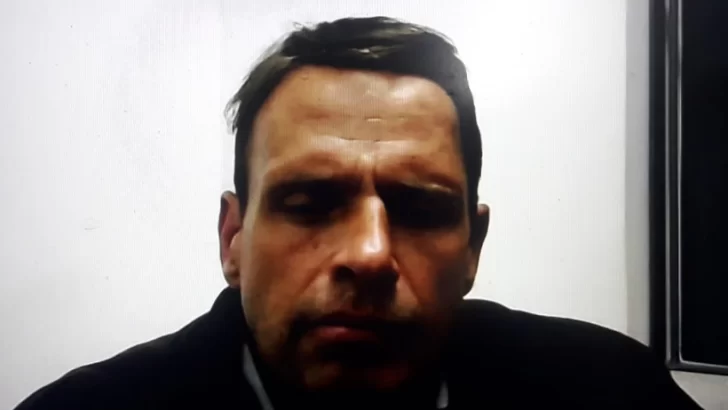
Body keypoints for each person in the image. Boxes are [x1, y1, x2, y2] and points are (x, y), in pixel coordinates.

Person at [15, 16, 701, 410]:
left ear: (473, 246)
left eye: (421, 209)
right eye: (309, 205)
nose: (370, 255)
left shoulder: (612, 393)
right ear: (233, 239)